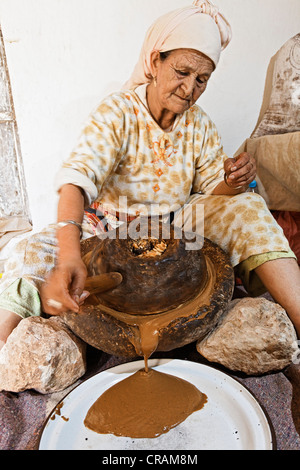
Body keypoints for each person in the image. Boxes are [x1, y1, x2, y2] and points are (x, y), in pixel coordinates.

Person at [0, 0, 299, 351]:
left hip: (177, 228)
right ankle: (5, 351)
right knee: (34, 250)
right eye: (182, 72)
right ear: (155, 61)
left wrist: (231, 183)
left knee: (248, 207)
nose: (190, 89)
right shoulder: (118, 111)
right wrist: (70, 257)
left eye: (202, 79)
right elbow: (75, 182)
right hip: (108, 228)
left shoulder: (199, 123)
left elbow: (209, 191)